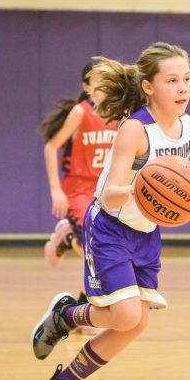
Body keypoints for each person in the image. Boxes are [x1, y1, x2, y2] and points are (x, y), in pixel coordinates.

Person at [30, 42, 190, 380]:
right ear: (148, 86)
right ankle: (66, 316)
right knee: (125, 315)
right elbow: (110, 189)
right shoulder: (134, 129)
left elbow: (178, 183)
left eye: (187, 79)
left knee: (135, 323)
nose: (183, 88)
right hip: (110, 225)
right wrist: (138, 188)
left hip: (145, 232)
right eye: (172, 80)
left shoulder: (188, 127)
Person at [40, 62, 118, 267]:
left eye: (107, 77)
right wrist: (56, 190)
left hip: (106, 188)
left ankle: (69, 236)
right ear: (86, 87)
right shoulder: (80, 112)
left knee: (110, 246)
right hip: (78, 189)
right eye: (98, 78)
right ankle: (91, 296)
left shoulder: (119, 113)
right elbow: (51, 147)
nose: (104, 83)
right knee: (96, 246)